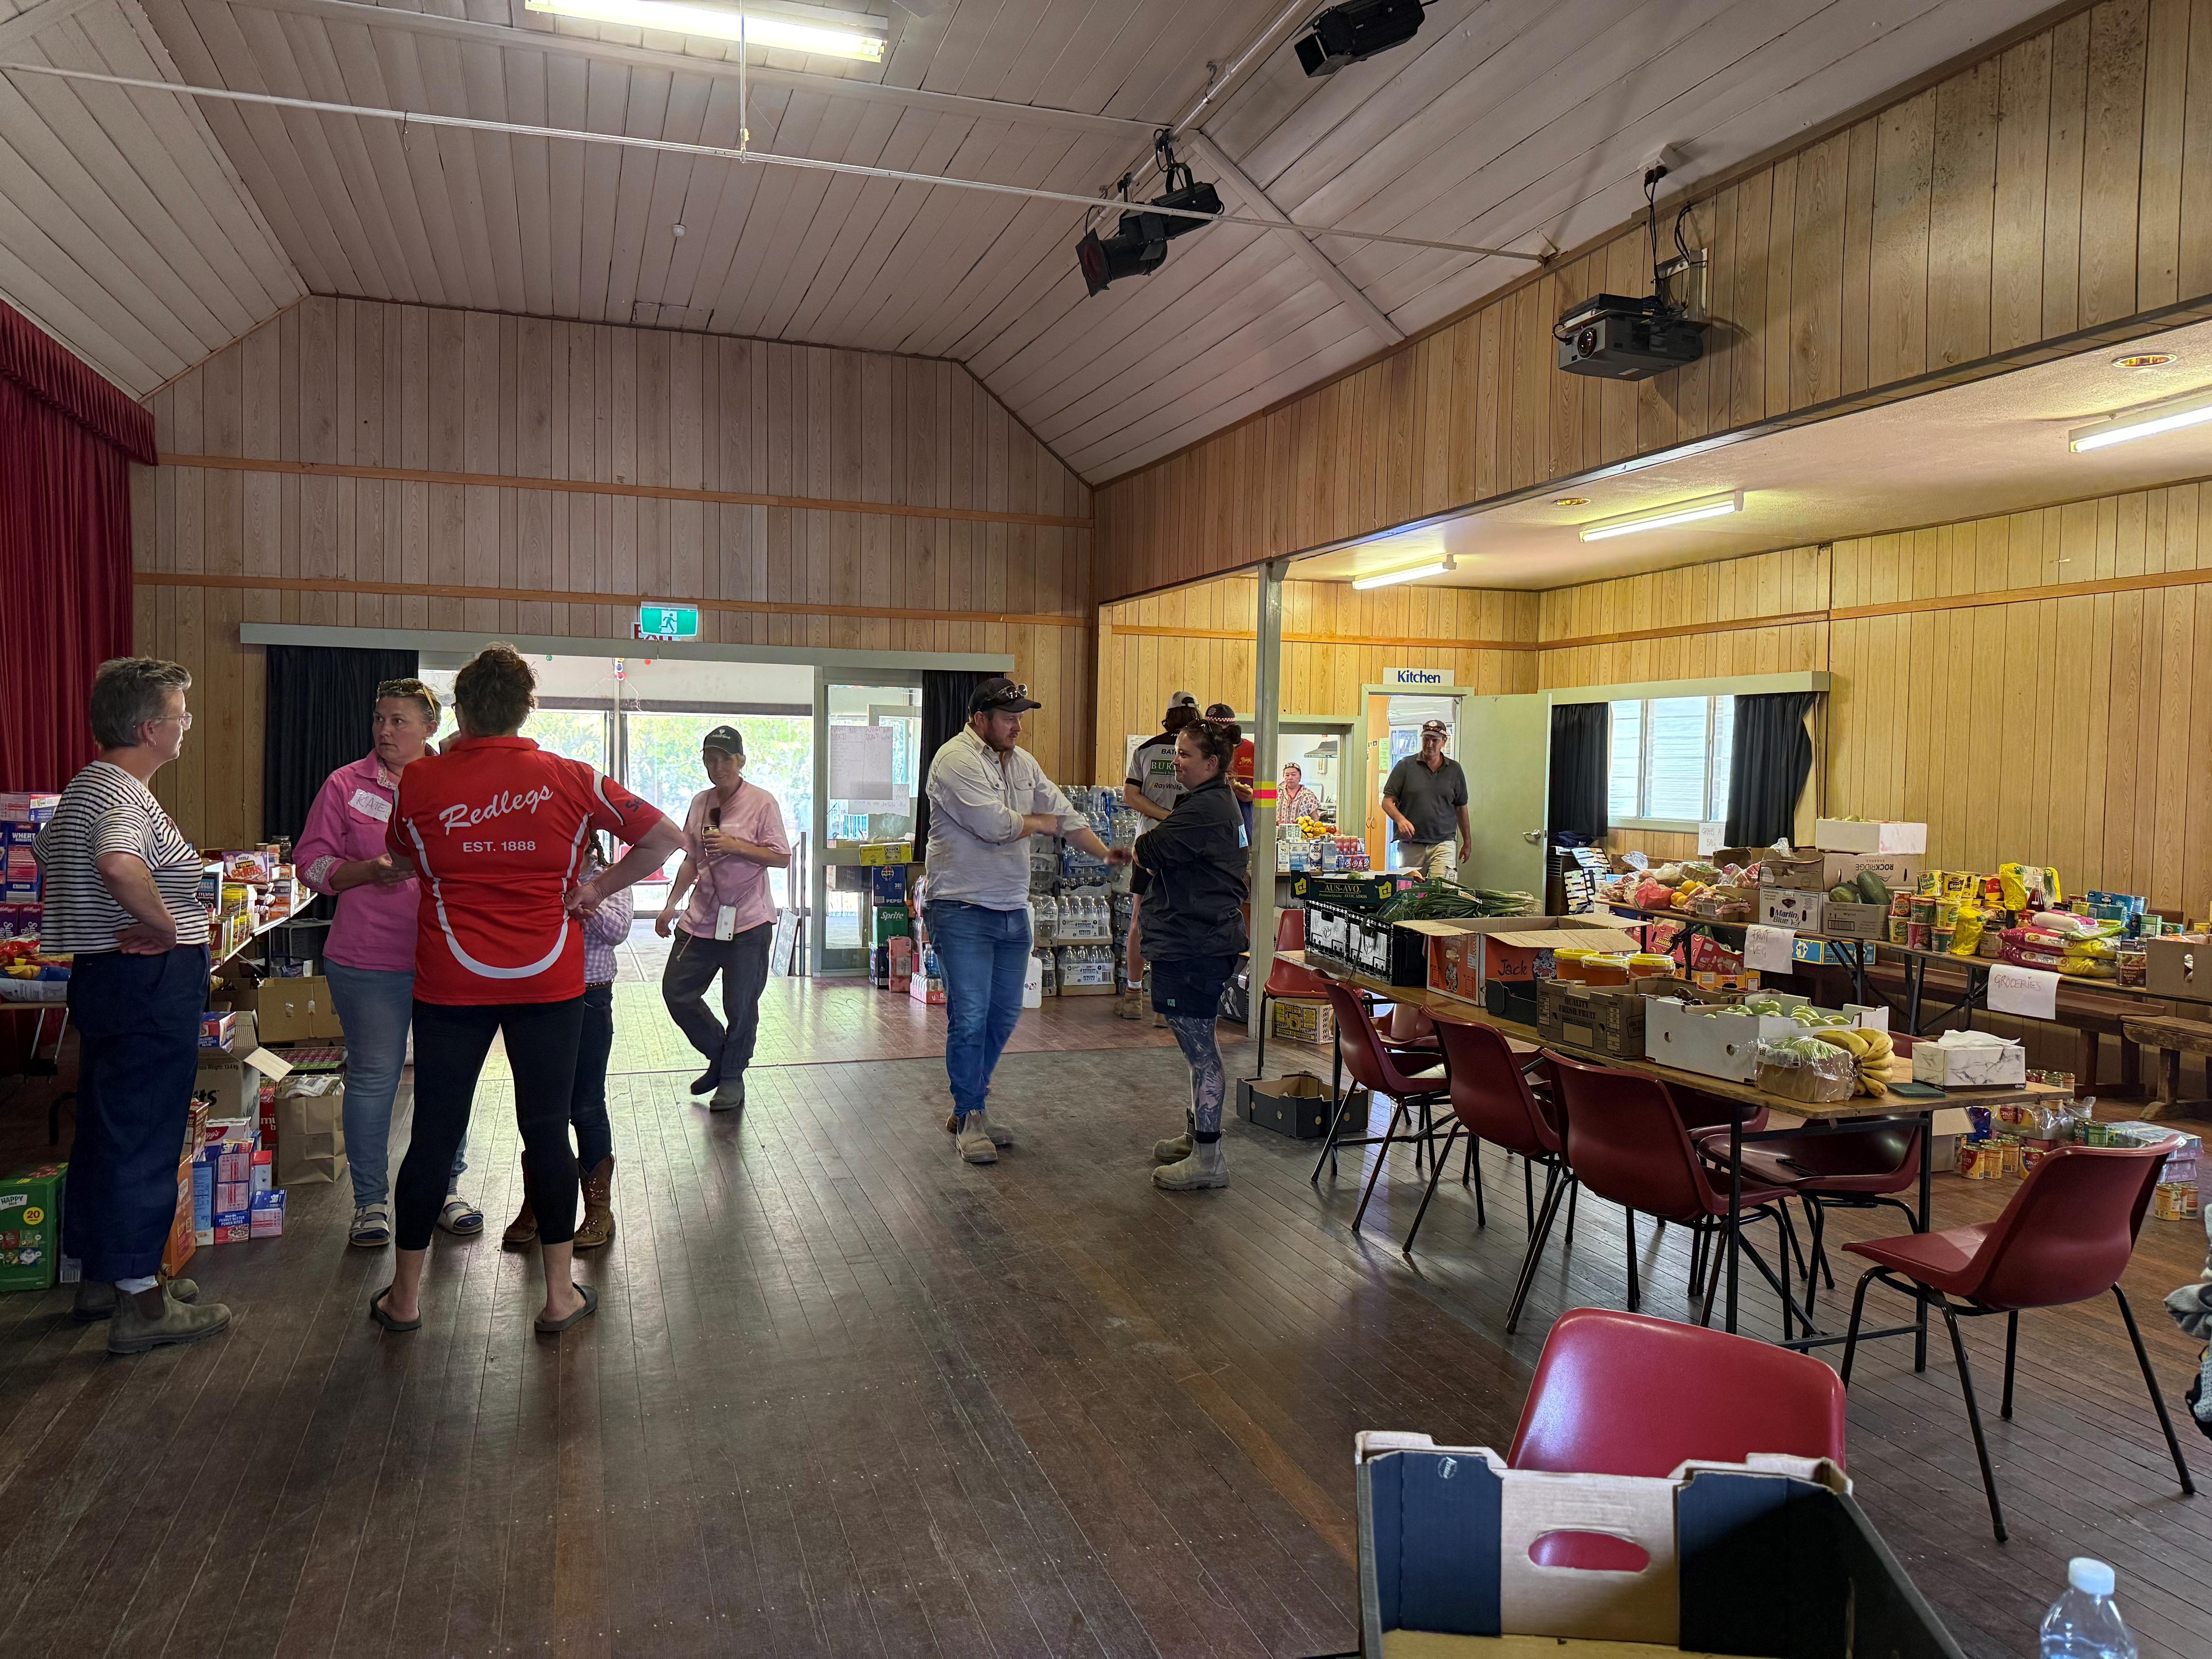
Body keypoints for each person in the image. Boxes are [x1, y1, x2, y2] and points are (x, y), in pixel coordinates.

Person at [371, 645, 684, 1336]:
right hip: (547, 979)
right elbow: (667, 838)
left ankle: (405, 1298)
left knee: (432, 1135)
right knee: (547, 1129)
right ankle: (558, 1296)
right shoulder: (572, 778)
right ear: (524, 710)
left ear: (462, 711)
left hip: (452, 980)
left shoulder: (420, 781)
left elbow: (404, 858)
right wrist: (595, 888)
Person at [34, 657, 229, 1353]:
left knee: (109, 1125)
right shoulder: (121, 795)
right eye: (181, 713)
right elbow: (118, 863)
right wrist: (169, 925)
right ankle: (142, 1303)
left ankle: (106, 1276)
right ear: (150, 728)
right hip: (146, 980)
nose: (187, 724)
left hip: (106, 977)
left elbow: (59, 854)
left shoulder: (83, 788)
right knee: (143, 1133)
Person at [294, 677, 482, 1248]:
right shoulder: (346, 784)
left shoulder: (460, 781)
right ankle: (371, 1203)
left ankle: (446, 1190)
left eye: (399, 720)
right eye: (380, 718)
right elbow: (311, 863)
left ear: (432, 726)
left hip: (448, 954)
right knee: (375, 1078)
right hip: (368, 957)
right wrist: (365, 871)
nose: (384, 730)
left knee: (446, 1079)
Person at [925, 677, 1129, 1164]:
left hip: (1014, 909)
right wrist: (1039, 824)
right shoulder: (954, 760)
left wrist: (1104, 855)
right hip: (960, 908)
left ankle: (968, 1101)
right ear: (980, 720)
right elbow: (996, 826)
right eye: (1008, 717)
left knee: (1002, 1016)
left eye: (1020, 717)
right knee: (970, 1016)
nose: (1017, 726)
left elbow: (1064, 813)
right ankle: (971, 1116)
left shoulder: (1022, 763)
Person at [1139, 717, 1251, 1192]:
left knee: (1201, 1050)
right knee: (1195, 1049)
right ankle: (1196, 1136)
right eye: (1176, 752)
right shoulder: (1208, 802)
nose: (1175, 761)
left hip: (1196, 944)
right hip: (1197, 938)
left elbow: (1149, 847)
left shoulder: (1206, 810)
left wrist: (1146, 844)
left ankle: (1208, 1157)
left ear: (1212, 763)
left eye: (1185, 755)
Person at [654, 725, 791, 1112]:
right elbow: (692, 859)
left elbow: (781, 857)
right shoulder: (701, 802)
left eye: (725, 759)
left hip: (749, 921)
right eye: (710, 759)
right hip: (702, 917)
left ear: (740, 761)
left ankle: (731, 1078)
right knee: (677, 991)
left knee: (741, 1004)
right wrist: (671, 904)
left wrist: (736, 846)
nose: (717, 767)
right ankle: (721, 1054)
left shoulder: (762, 803)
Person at [506, 834, 629, 1250]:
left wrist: (581, 899)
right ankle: (539, 1202)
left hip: (591, 996)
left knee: (587, 1104)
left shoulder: (610, 878)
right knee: (540, 1108)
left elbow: (618, 930)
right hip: (536, 998)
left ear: (591, 846)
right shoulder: (535, 876)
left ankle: (599, 1210)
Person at [1120, 691, 1199, 1018]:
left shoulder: (1145, 750)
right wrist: (1179, 820)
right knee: (1183, 921)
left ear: (1167, 717)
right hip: (1189, 846)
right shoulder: (1200, 753)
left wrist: (1162, 817)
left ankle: (1133, 996)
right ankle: (1170, 1004)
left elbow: (1130, 796)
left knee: (1140, 918)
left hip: (1149, 844)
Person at [1382, 718, 1471, 880]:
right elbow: (1387, 802)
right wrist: (1400, 820)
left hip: (1444, 842)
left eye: (1435, 740)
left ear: (1444, 741)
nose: (1430, 745)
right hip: (1411, 844)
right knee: (1411, 892)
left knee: (1443, 891)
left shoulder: (1455, 770)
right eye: (1426, 739)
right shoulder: (1405, 766)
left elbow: (1461, 807)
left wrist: (1467, 841)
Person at [1203, 702, 1256, 839]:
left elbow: (1273, 794)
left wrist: (1255, 796)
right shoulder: (1200, 751)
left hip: (1243, 829)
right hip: (1208, 826)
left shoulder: (1254, 751)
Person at [1279, 762, 1325, 826]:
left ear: (1300, 777)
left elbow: (1315, 819)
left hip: (1301, 834)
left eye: (1294, 775)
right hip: (1278, 834)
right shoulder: (1277, 792)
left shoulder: (1309, 795)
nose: (1290, 778)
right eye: (1287, 775)